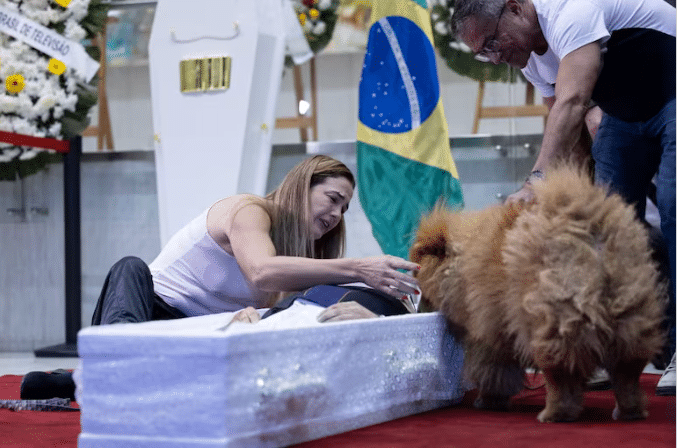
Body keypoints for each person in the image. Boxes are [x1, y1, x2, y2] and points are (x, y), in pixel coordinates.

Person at [20, 155, 421, 401]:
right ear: (301, 185)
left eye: (345, 208)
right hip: (151, 316)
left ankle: (90, 380)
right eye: (333, 199)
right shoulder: (249, 210)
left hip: (201, 339)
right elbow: (261, 273)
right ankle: (116, 367)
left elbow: (280, 314)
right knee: (131, 267)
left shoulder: (304, 257)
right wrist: (358, 266)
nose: (336, 214)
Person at [450, 0, 676, 390]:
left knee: (674, 209)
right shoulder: (531, 59)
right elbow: (568, 135)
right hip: (625, 117)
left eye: (491, 43)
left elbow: (572, 103)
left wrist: (535, 181)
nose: (495, 57)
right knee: (603, 230)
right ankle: (606, 349)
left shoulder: (570, 10)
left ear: (517, 9)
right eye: (483, 55)